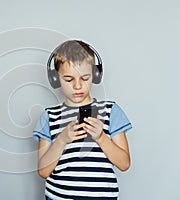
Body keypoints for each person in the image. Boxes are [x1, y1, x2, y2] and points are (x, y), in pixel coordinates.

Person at [33, 40, 132, 200]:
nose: (77, 86)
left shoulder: (111, 111)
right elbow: (43, 171)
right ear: (55, 78)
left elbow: (124, 164)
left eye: (85, 78)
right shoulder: (48, 116)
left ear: (95, 75)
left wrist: (101, 137)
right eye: (68, 79)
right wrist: (62, 140)